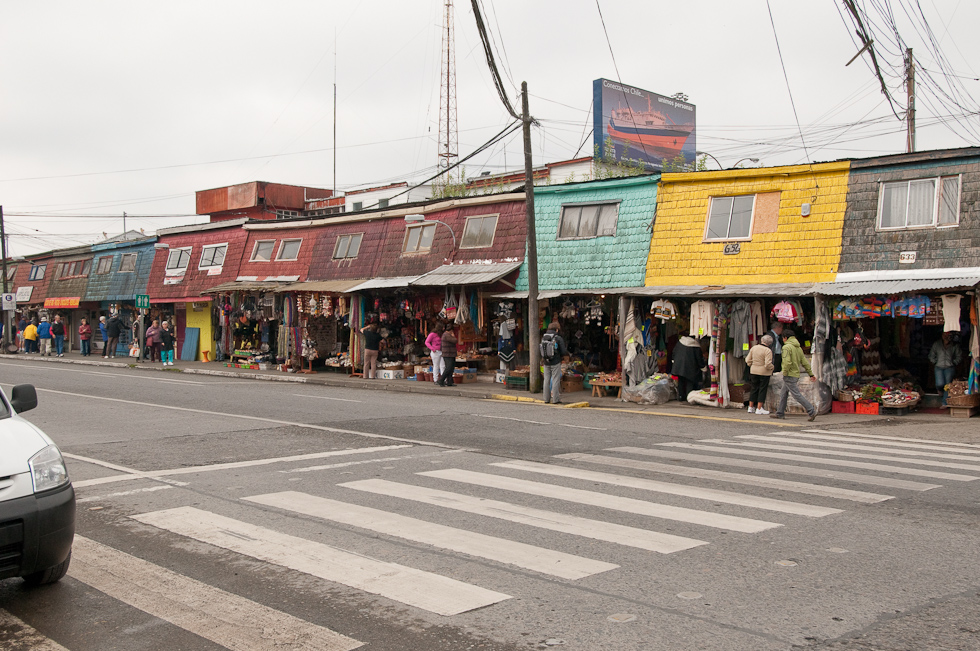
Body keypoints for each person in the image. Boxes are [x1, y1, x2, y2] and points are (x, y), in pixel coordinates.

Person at [771, 329, 817, 421]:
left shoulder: (786, 347)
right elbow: (804, 362)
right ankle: (780, 413)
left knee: (796, 394)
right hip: (795, 374)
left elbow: (787, 362)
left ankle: (811, 410)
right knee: (783, 393)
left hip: (789, 374)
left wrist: (784, 372)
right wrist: (810, 373)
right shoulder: (798, 347)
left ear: (785, 338)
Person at [929, 331, 963, 407]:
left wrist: (953, 363)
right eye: (944, 334)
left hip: (949, 368)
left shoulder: (954, 345)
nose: (946, 336)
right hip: (938, 367)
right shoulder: (937, 344)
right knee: (939, 384)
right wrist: (935, 362)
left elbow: (959, 356)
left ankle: (944, 403)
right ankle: (940, 390)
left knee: (947, 385)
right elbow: (931, 355)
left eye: (948, 335)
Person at [670, 334, 706, 403]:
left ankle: (680, 396)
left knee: (680, 381)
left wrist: (673, 361)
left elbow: (674, 352)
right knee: (690, 382)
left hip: (679, 366)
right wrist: (703, 367)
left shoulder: (680, 343)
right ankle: (689, 397)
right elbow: (699, 359)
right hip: (691, 368)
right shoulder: (696, 346)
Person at [745, 334, 775, 415]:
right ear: (769, 343)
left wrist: (752, 365)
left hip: (753, 370)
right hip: (764, 372)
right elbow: (768, 364)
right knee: (762, 389)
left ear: (762, 340)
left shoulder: (754, 348)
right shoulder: (768, 351)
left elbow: (748, 360)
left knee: (754, 388)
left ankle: (750, 407)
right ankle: (759, 408)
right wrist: (772, 367)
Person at [540, 322, 569, 404]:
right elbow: (563, 351)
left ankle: (546, 399)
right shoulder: (558, 338)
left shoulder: (544, 337)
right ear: (556, 329)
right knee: (556, 380)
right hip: (555, 361)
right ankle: (555, 399)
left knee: (546, 380)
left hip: (546, 362)